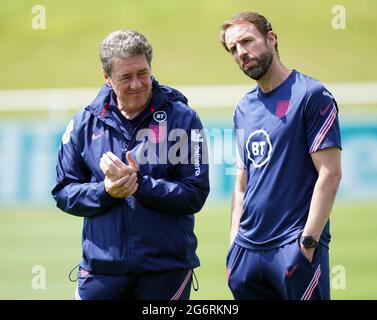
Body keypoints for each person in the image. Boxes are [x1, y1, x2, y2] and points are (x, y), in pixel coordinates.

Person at [51, 29, 209, 300]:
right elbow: (63, 191)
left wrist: (139, 185)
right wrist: (106, 191)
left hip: (166, 270)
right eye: (126, 77)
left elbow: (194, 194)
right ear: (107, 78)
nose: (137, 84)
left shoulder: (183, 120)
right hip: (101, 270)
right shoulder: (84, 123)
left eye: (143, 73)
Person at [220, 12, 342, 300]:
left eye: (247, 41)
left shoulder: (311, 95)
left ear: (271, 39)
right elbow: (241, 182)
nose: (241, 53)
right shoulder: (243, 108)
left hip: (293, 248)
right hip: (247, 254)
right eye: (233, 49)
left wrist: (308, 242)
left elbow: (331, 173)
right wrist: (234, 243)